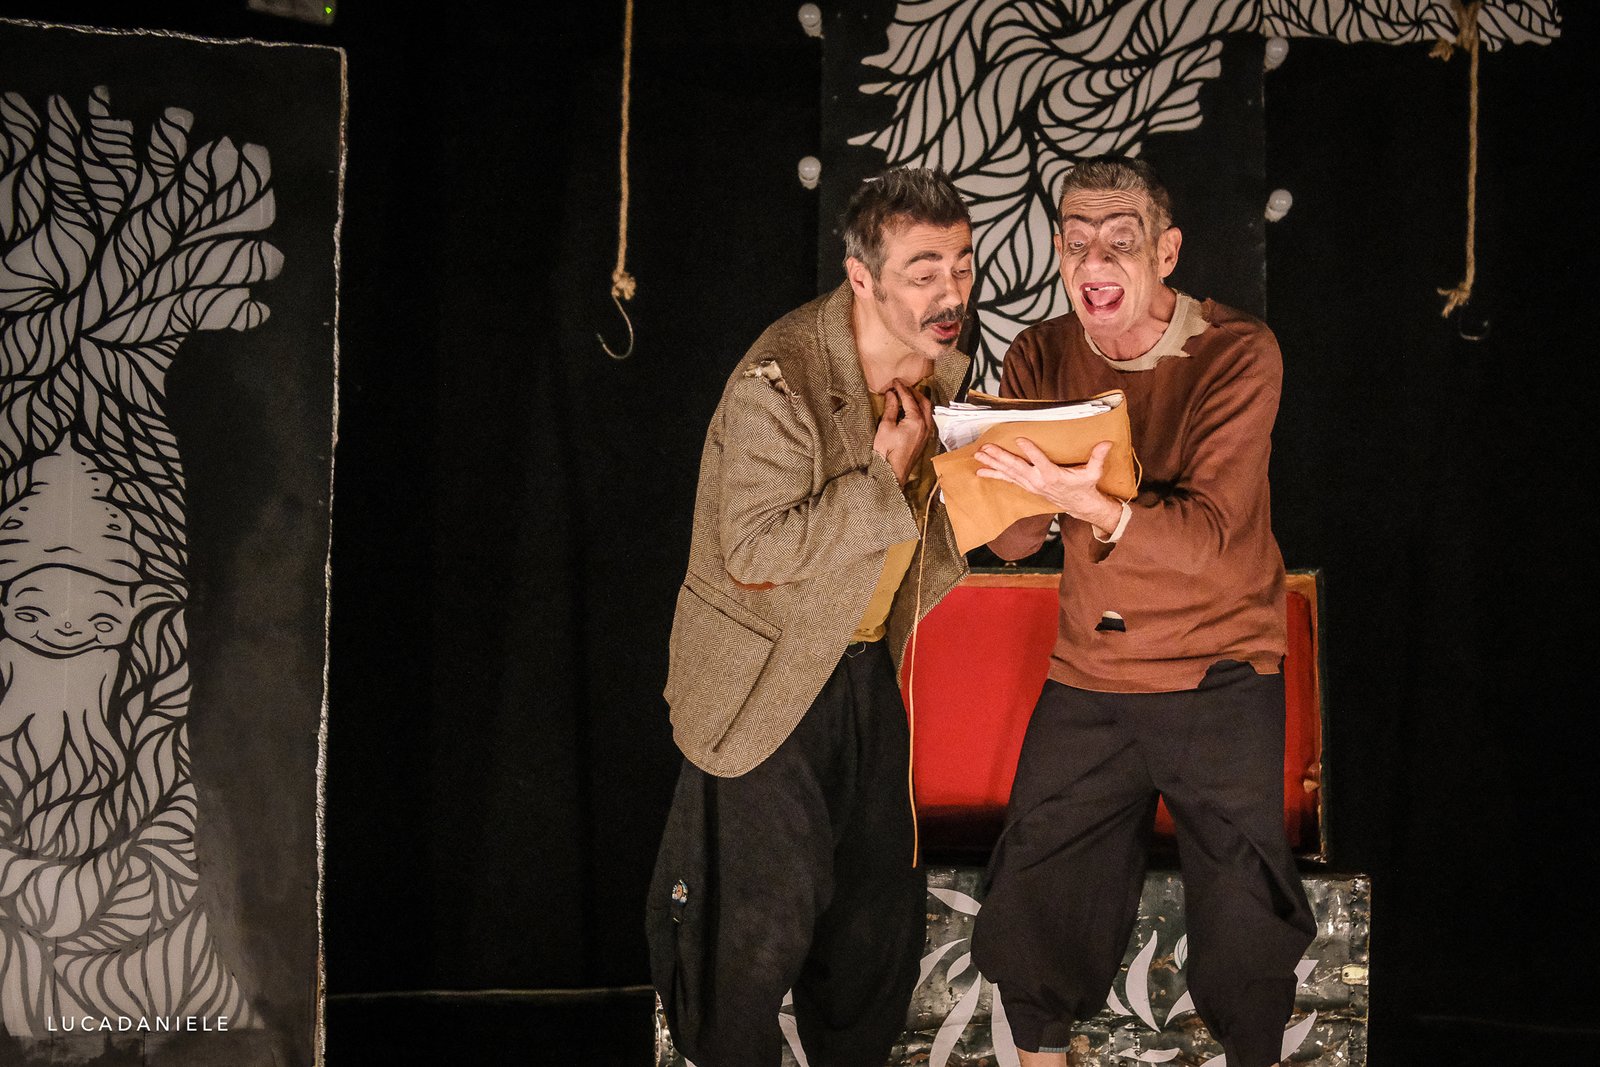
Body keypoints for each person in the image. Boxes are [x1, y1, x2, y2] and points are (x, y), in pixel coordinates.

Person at [967, 157, 1315, 1067]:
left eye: (1119, 241)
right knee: (1037, 888)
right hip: (1092, 671)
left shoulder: (1238, 351)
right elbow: (1016, 543)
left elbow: (1212, 538)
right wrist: (997, 477)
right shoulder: (1039, 352)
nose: (1095, 260)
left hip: (1220, 667)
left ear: (1166, 252)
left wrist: (1088, 503)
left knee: (1244, 913)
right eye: (1076, 241)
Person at [646, 168, 974, 1067]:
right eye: (923, 272)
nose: (950, 292)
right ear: (861, 277)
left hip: (867, 672)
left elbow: (923, 529)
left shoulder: (941, 370)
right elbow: (753, 549)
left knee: (874, 935)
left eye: (960, 264)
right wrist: (883, 475)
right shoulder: (780, 380)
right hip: (769, 686)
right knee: (749, 945)